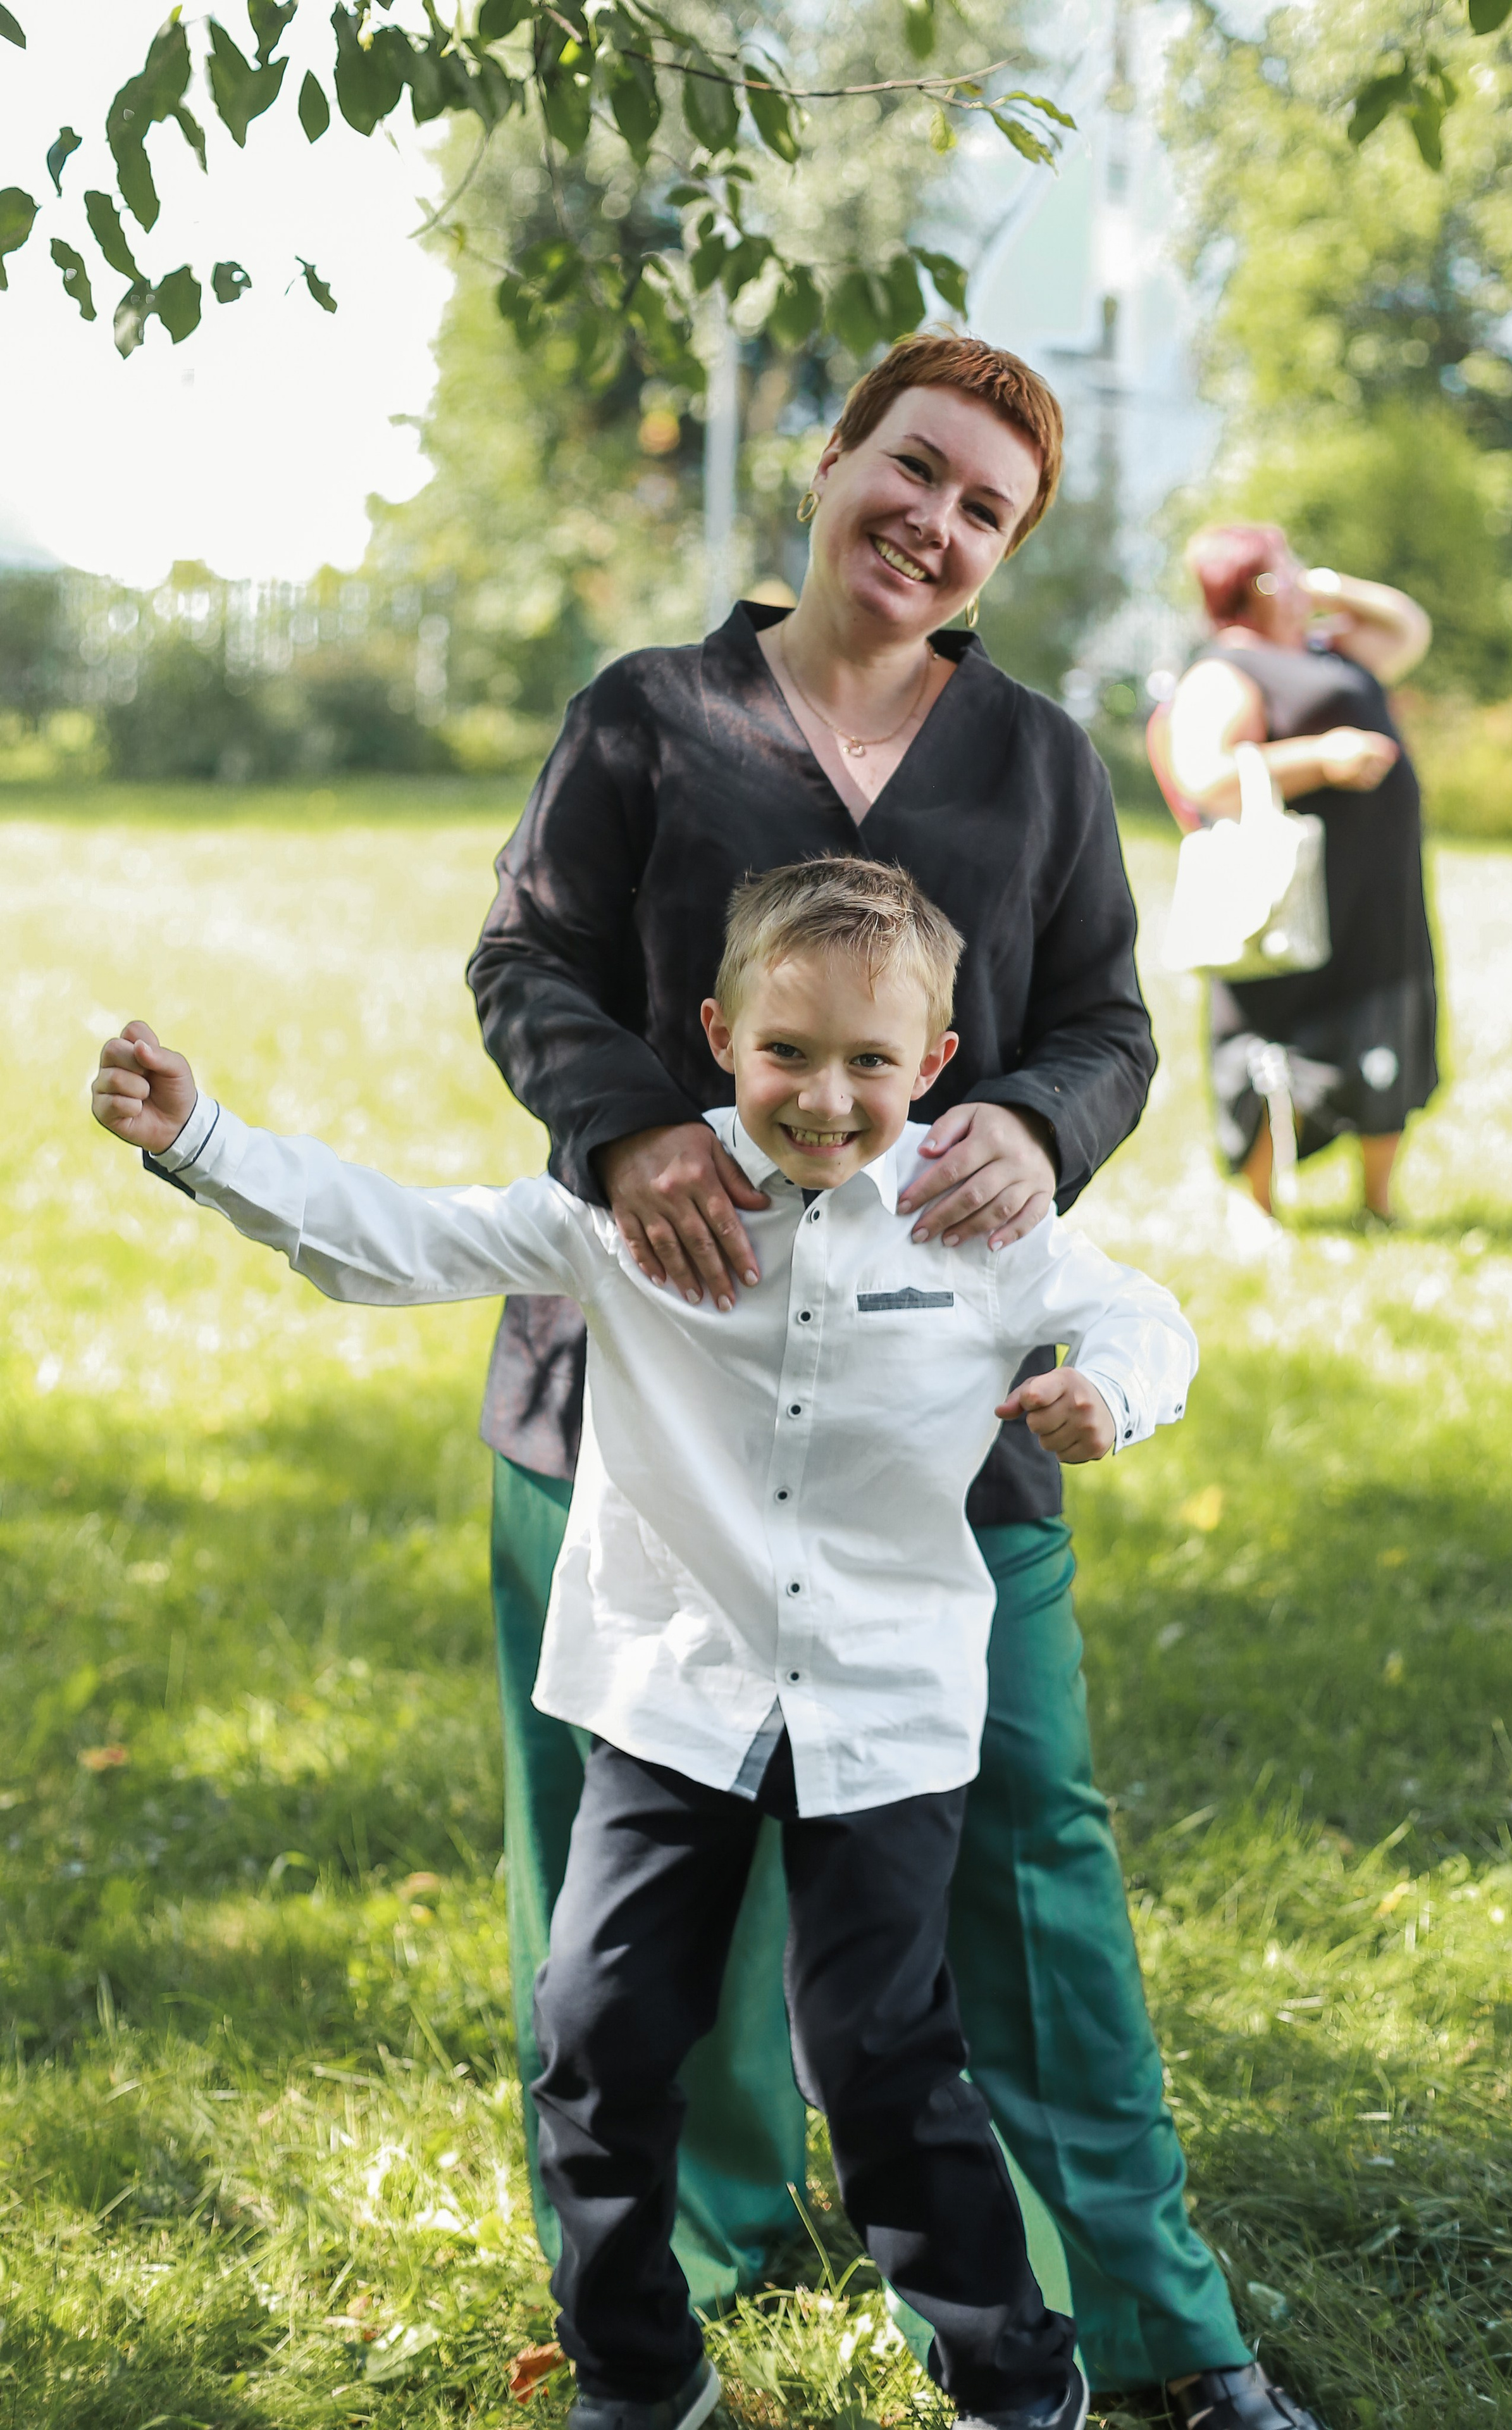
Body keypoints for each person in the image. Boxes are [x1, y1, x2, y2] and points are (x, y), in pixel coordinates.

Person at [466, 333, 1327, 2430]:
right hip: (639, 1412)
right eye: (911, 466)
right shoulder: (647, 718)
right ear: (836, 459)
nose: (932, 520)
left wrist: (1042, 1121)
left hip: (941, 1415)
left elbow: (1113, 1023)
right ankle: (678, 2281)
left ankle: (1152, 2326)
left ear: (999, 552)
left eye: (985, 509)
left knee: (1026, 1854)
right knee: (623, 1912)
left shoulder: (1032, 760)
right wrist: (626, 1127)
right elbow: (523, 968)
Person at [89, 855, 1204, 2430]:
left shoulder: (978, 1220)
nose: (825, 1096)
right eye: (787, 1053)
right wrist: (200, 1139)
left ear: (933, 1065)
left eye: (870, 1061)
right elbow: (402, 1241)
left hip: (882, 1714)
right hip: (673, 1693)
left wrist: (1112, 1391)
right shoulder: (635, 1211)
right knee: (596, 2035)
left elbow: (1142, 1311)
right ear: (716, 1034)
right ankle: (636, 2367)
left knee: (882, 2063)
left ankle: (1017, 2381)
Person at [1159, 523, 1438, 1223]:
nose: (1299, 580)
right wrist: (1320, 758)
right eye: (1282, 570)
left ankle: (1378, 1202)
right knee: (1273, 1034)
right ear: (1246, 587)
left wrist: (1325, 589)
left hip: (1377, 895)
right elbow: (1204, 774)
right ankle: (1258, 1208)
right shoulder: (1226, 668)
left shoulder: (1326, 648)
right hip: (1286, 896)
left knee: (1384, 1020)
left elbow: (1408, 629)